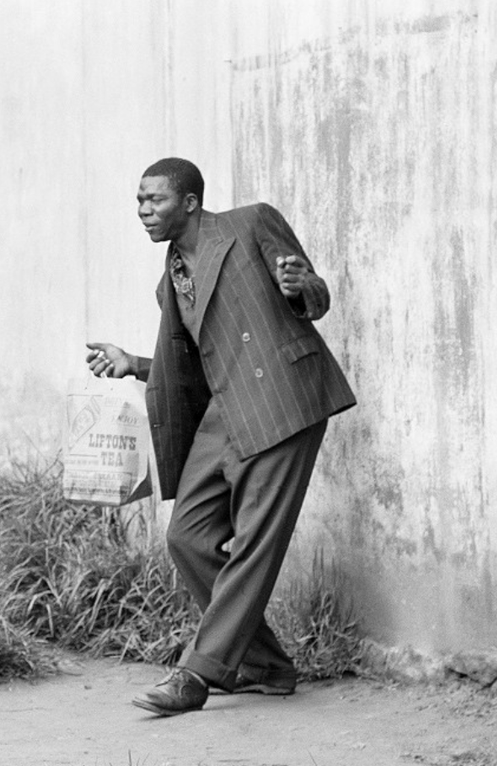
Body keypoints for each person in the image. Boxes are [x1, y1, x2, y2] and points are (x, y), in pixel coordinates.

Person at [86, 157, 356, 716]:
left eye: (154, 200)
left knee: (255, 540)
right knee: (187, 536)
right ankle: (265, 666)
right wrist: (134, 362)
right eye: (138, 201)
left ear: (187, 202)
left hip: (284, 399)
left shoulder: (250, 224)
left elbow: (317, 299)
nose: (143, 211)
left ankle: (199, 673)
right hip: (224, 411)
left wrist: (302, 285)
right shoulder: (170, 281)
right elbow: (192, 360)